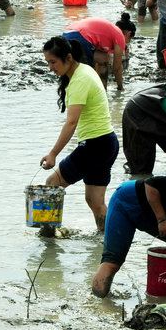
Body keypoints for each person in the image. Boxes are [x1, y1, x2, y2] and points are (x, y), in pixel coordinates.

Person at [39, 36, 119, 230]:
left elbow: (71, 122)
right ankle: (109, 240)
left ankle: (47, 244)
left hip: (95, 145)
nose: (51, 67)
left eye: (53, 62)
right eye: (48, 62)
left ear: (68, 57)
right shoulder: (84, 70)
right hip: (108, 143)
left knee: (51, 184)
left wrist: (53, 154)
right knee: (94, 201)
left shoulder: (79, 80)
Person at [62, 16, 135, 90]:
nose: (127, 43)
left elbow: (103, 56)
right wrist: (120, 87)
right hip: (79, 36)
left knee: (104, 59)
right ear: (128, 34)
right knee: (85, 73)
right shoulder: (120, 36)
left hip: (67, 33)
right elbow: (117, 68)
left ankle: (102, 90)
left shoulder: (110, 30)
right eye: (129, 39)